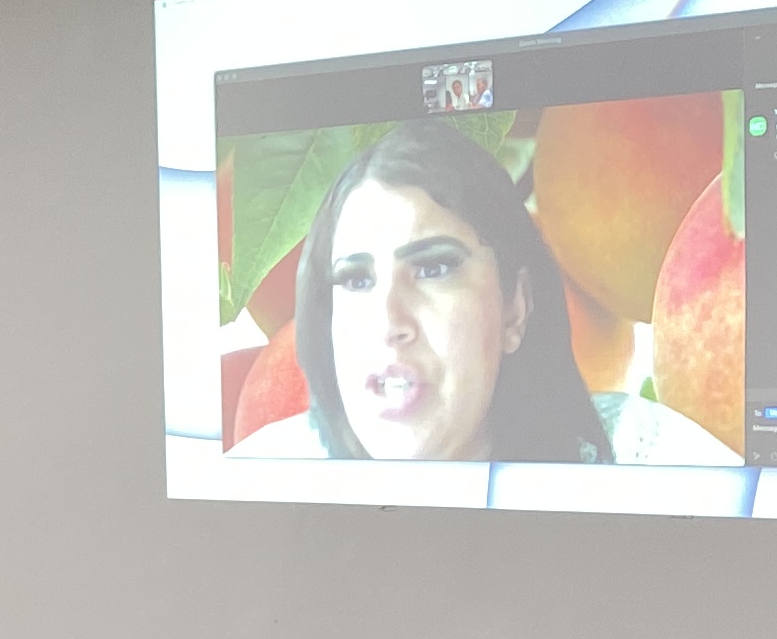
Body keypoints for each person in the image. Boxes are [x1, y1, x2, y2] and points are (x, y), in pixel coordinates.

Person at [233, 119, 740, 467]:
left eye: (433, 267)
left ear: (516, 308)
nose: (389, 320)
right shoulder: (268, 468)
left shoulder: (640, 455)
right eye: (356, 279)